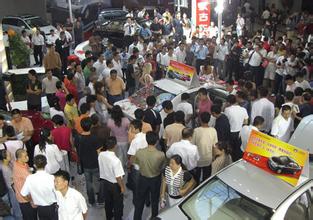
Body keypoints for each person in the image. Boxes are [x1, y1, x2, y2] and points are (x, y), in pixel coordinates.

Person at [134, 131, 166, 220]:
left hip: (143, 178)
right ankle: (154, 217)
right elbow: (162, 167)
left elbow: (136, 164)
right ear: (156, 141)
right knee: (155, 200)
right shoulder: (161, 155)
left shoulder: (139, 152)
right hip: (155, 179)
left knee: (140, 201)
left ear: (146, 140)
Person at [21, 155, 58, 220]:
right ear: (46, 164)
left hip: (40, 209)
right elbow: (58, 193)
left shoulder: (30, 178)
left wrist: (31, 200)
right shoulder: (51, 178)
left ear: (34, 165)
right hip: (52, 207)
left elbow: (23, 194)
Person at [98, 136, 125, 220]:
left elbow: (98, 150)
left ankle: (109, 217)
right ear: (115, 146)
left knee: (108, 202)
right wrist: (122, 187)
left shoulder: (101, 154)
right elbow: (118, 177)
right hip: (115, 185)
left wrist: (103, 146)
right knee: (118, 204)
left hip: (105, 183)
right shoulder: (116, 161)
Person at [76, 117, 102, 206]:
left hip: (85, 164)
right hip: (95, 163)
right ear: (91, 126)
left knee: (89, 183)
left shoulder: (78, 138)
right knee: (98, 182)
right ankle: (100, 200)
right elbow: (99, 152)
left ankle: (91, 201)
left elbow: (77, 150)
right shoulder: (95, 138)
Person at [192, 112, 218, 183]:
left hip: (198, 159)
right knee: (206, 179)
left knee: (196, 178)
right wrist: (214, 157)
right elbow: (214, 146)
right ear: (209, 120)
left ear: (200, 119)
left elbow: (193, 145)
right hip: (208, 158)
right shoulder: (213, 130)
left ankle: (196, 188)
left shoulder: (196, 131)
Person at [12, 149, 37, 220]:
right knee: (30, 216)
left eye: (27, 155)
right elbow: (32, 180)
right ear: (19, 158)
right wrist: (30, 199)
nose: (28, 157)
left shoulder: (19, 163)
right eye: (25, 156)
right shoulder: (21, 170)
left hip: (24, 194)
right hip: (25, 198)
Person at [224, 95, 249, 161]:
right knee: (238, 149)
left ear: (228, 102)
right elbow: (246, 122)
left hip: (231, 132)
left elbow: (225, 120)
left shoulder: (227, 110)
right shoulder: (243, 109)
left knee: (231, 149)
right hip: (240, 133)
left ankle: (231, 161)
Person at [0, 149, 23, 219]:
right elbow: (12, 181)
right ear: (5, 158)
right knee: (16, 206)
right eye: (9, 155)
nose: (11, 155)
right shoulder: (5, 169)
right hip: (12, 189)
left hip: (11, 188)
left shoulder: (6, 163)